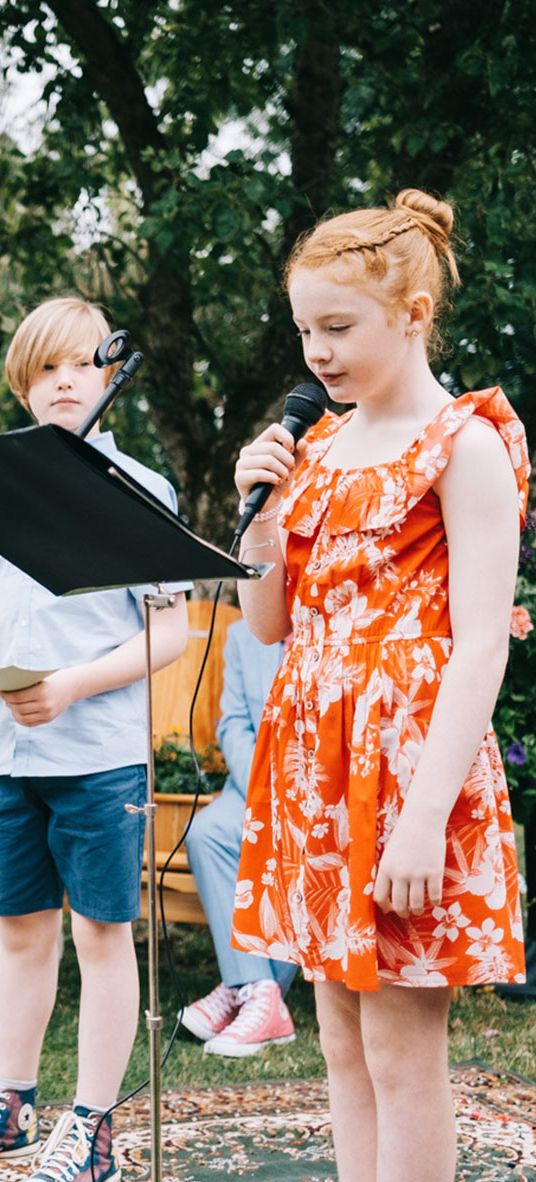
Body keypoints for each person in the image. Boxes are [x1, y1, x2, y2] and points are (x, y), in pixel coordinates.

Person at [230, 189, 530, 1182]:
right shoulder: (315, 448)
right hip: (315, 776)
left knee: (403, 1058)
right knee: (343, 1050)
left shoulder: (464, 444)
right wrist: (260, 519)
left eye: (337, 327)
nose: (316, 351)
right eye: (304, 328)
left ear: (411, 313)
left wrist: (420, 819)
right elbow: (270, 625)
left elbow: (481, 645)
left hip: (409, 782)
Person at [0, 297, 191, 1182]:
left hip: (101, 755)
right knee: (17, 934)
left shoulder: (139, 489)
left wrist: (72, 686)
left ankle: (92, 1128)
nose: (65, 380)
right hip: (9, 757)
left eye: (82, 362)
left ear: (112, 373)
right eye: (46, 366)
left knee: (101, 936)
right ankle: (12, 1101)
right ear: (21, 383)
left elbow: (171, 633)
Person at [182, 617, 296, 1056]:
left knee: (310, 843)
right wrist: (263, 791)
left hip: (322, 787)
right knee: (207, 833)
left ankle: (243, 989)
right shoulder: (242, 636)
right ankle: (259, 990)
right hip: (254, 785)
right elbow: (233, 724)